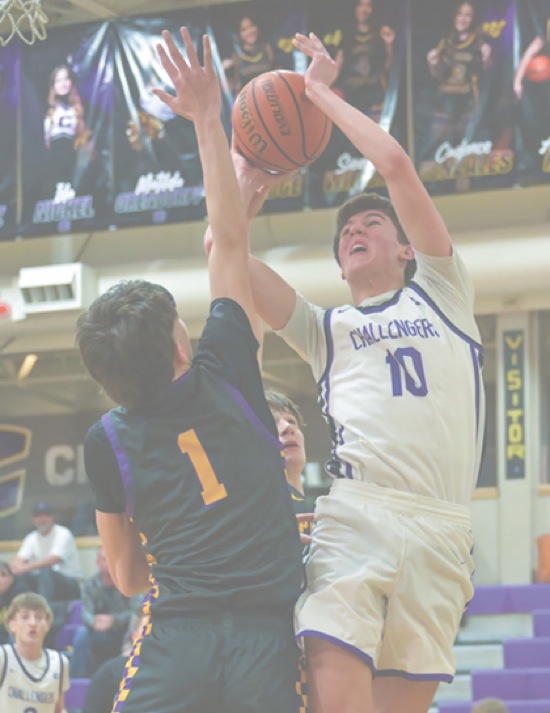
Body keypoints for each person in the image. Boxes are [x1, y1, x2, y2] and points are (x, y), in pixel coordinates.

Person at [241, 31, 485, 713]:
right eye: (346, 233)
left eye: (372, 222)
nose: (354, 231)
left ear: (407, 249)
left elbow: (396, 165)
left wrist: (319, 95)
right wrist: (241, 182)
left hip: (443, 526)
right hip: (356, 514)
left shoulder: (442, 292)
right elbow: (226, 255)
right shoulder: (325, 329)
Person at [76, 26, 302, 713]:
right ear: (180, 347)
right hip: (266, 634)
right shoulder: (225, 364)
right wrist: (208, 117)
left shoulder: (106, 439)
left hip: (177, 637)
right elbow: (227, 242)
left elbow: (125, 576)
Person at [425, 1, 492, 151]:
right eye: (460, 14)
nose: (463, 19)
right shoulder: (445, 41)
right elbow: (435, 75)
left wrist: (487, 58)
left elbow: (487, 75)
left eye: (468, 15)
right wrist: (432, 63)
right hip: (446, 99)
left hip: (468, 100)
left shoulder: (479, 42)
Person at [70, 547, 141, 678]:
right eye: (104, 559)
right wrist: (94, 621)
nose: (108, 563)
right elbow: (86, 612)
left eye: (111, 559)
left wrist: (113, 620)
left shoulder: (128, 582)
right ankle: (78, 683)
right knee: (82, 634)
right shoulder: (91, 584)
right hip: (98, 631)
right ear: (97, 562)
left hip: (122, 630)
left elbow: (137, 612)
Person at [0, 592, 69, 713]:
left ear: (47, 624)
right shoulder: (3, 657)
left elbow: (59, 709)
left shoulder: (59, 662)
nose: (33, 623)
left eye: (39, 617)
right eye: (25, 617)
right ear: (12, 624)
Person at [265, 390, 314, 544]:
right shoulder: (256, 507)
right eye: (271, 422)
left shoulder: (315, 507)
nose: (287, 427)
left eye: (291, 421)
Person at [10, 501, 82, 604]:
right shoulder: (31, 537)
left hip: (69, 582)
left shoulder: (63, 533)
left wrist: (25, 567)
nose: (42, 519)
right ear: (33, 519)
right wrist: (16, 568)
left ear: (52, 517)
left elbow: (53, 559)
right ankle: (21, 607)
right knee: (22, 577)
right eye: (38, 515)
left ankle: (43, 607)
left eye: (46, 515)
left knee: (46, 572)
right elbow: (18, 559)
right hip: (44, 581)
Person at [334, 0, 395, 120]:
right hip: (350, 92)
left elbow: (388, 66)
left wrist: (389, 44)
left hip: (373, 93)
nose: (364, 10)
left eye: (368, 6)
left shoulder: (381, 32)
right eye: (360, 5)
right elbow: (338, 65)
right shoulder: (347, 33)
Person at [43, 62, 93, 193]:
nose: (63, 84)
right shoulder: (50, 110)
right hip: (56, 155)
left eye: (66, 79)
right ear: (53, 86)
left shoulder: (80, 108)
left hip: (73, 154)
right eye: (58, 80)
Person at [81, 614, 145, 713]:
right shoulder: (110, 672)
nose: (154, 637)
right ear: (134, 636)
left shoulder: (168, 673)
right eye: (147, 631)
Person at [222, 14, 275, 96]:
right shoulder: (235, 56)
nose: (250, 31)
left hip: (270, 97)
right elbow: (231, 86)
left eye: (252, 26)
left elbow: (277, 75)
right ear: (239, 33)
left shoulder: (267, 48)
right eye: (244, 29)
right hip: (247, 99)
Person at [0, 561, 37, 645]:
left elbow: (20, 619)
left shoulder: (20, 591)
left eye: (3, 575)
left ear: (11, 577)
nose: (0, 580)